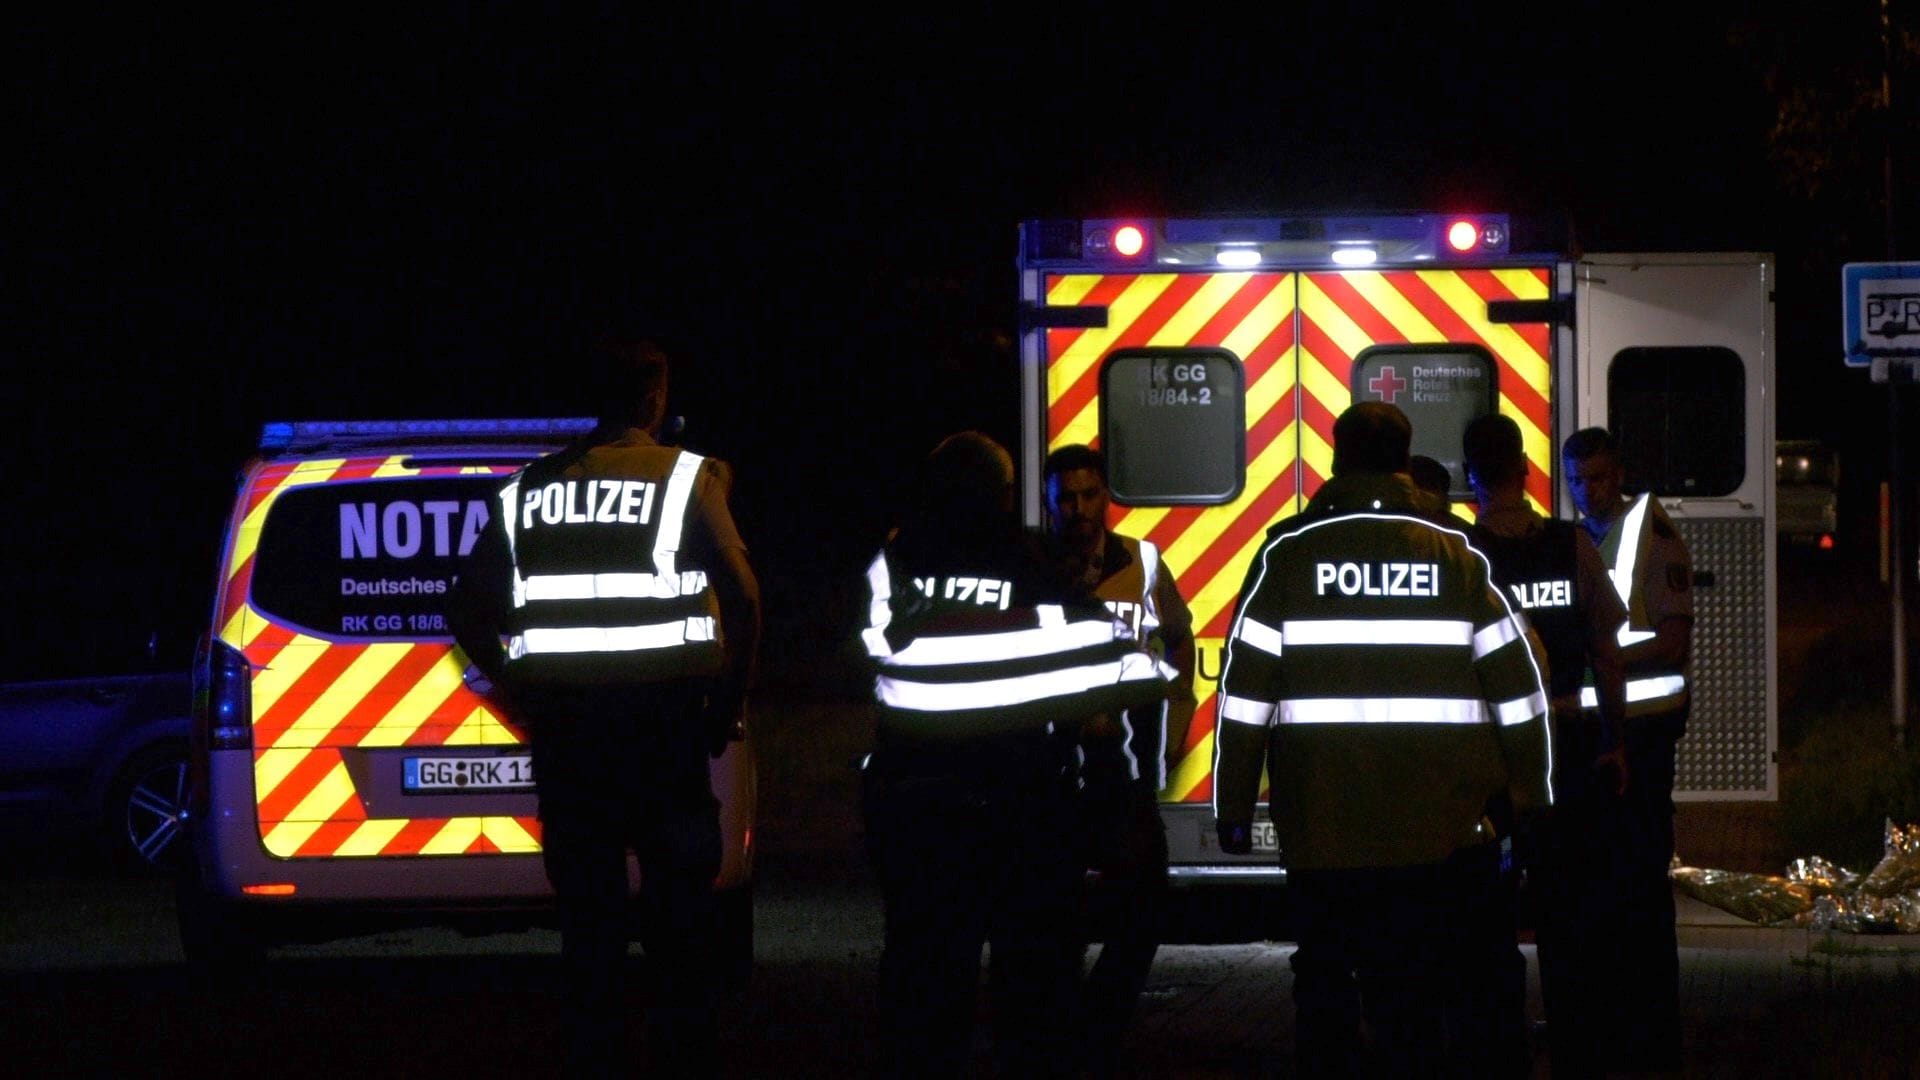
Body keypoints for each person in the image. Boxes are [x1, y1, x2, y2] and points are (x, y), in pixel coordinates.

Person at [446, 337, 762, 1078]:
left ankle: (595, 1052)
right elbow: (744, 598)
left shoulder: (526, 491)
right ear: (655, 398)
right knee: (680, 916)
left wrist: (520, 687)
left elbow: (466, 609)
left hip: (572, 739)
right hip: (666, 732)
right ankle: (684, 1055)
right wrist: (726, 701)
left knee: (588, 920)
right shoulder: (687, 479)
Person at [1212, 401, 1551, 1076]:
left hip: (1322, 828)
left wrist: (1232, 805)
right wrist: (1530, 795)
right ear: (1404, 460)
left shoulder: (1287, 551)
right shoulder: (1455, 553)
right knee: (1415, 998)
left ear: (1335, 460)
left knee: (1326, 989)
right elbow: (1520, 687)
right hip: (1437, 832)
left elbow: (1245, 694)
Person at [859, 431, 1169, 1078]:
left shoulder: (892, 561)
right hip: (1021, 809)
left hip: (916, 805)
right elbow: (1110, 668)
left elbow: (859, 655)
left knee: (923, 976)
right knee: (1033, 990)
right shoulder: (1034, 564)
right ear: (1004, 495)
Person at [1463, 414, 1630, 1077]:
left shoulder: (1461, 558)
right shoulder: (1572, 546)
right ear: (1526, 470)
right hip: (1566, 749)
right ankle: (1578, 1049)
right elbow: (1606, 651)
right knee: (1569, 913)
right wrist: (1615, 741)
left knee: (1489, 921)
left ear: (1472, 478)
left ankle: (1499, 1052)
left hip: (1492, 760)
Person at [1042, 444, 1196, 1074]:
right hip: (1049, 776)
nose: (1078, 509)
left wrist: (1179, 715)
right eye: (1066, 499)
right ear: (1051, 504)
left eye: (1088, 495)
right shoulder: (1032, 567)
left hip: (1122, 774)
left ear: (1105, 495)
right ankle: (1059, 1037)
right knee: (1052, 922)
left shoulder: (1143, 561)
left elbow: (1180, 637)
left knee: (1144, 910)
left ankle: (1096, 1027)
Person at [1562, 425, 1695, 1074]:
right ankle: (1615, 1024)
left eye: (1603, 478)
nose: (1592, 491)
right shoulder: (1580, 538)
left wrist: (1599, 654)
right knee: (1601, 891)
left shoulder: (1653, 533)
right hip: (1600, 738)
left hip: (1643, 739)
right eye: (1581, 481)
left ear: (1622, 474)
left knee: (1641, 888)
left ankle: (1653, 1031)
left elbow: (1671, 640)